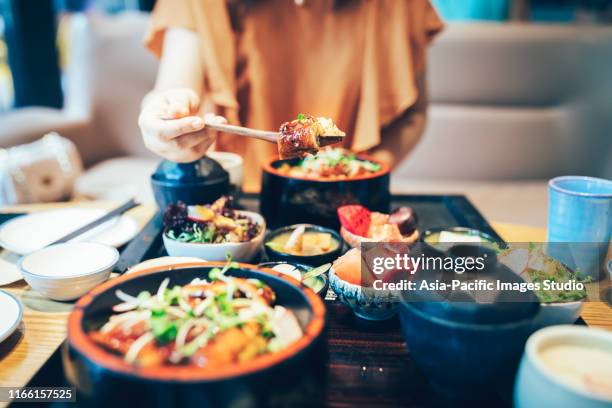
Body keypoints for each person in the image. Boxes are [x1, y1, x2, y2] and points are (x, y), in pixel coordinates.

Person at [139, 0, 443, 192]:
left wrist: (359, 173)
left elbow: (412, 115)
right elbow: (171, 91)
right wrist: (163, 121)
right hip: (239, 198)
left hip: (352, 197)